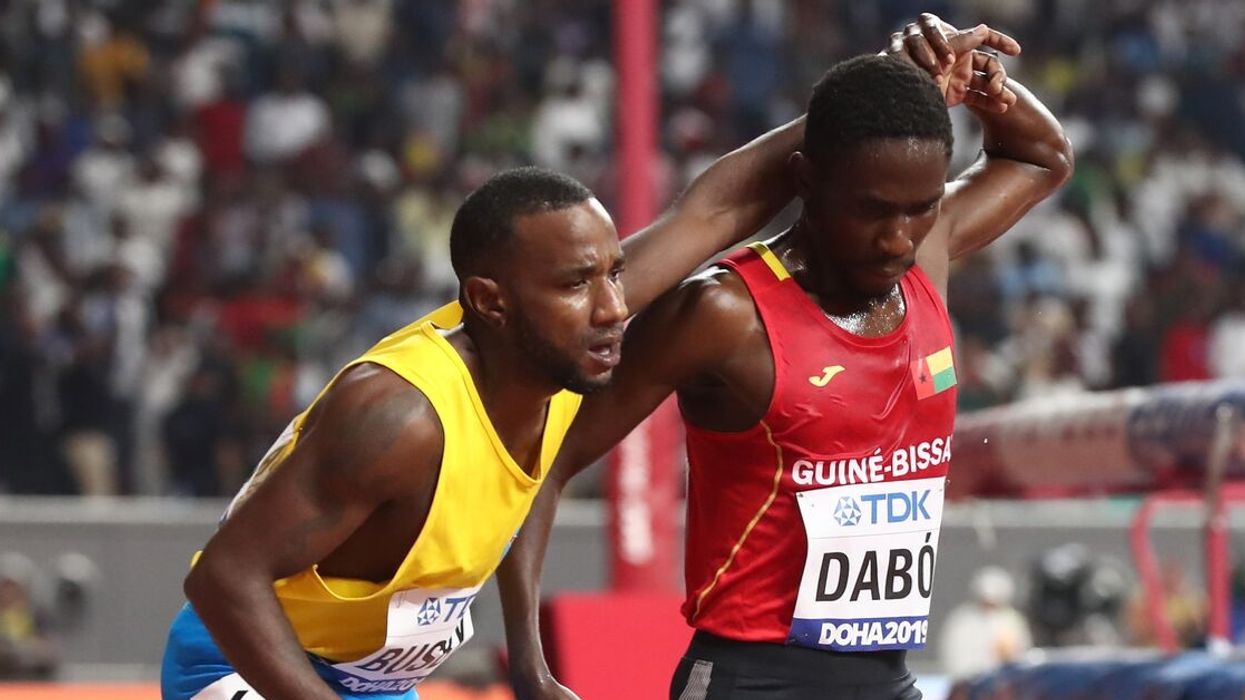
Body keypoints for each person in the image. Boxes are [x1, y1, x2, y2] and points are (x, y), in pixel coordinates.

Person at [159, 15, 939, 689]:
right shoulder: (400, 416)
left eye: (613, 276)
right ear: (491, 302)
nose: (614, 307)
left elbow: (715, 210)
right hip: (243, 663)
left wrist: (887, 85)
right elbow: (223, 579)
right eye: (576, 284)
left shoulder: (568, 346)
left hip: (371, 679)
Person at [500, 16, 1073, 700]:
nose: (895, 238)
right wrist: (529, 665)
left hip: (885, 676)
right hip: (752, 679)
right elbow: (539, 460)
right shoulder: (723, 314)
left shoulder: (924, 256)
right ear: (805, 179)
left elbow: (1043, 157)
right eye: (870, 210)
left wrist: (973, 84)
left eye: (920, 207)